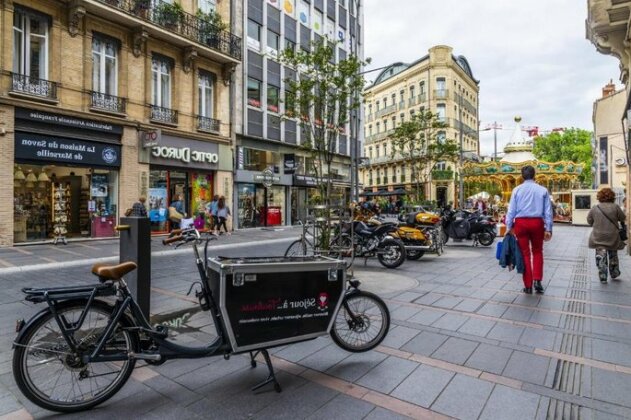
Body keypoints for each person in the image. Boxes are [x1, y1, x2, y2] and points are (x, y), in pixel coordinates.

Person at [505, 165, 553, 294]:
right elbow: (548, 211)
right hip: (537, 222)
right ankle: (538, 280)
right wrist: (548, 228)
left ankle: (527, 285)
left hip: (521, 223)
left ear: (522, 176)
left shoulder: (516, 190)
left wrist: (508, 226)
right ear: (534, 175)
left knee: (524, 254)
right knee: (538, 252)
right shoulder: (542, 190)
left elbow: (511, 210)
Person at [587, 188, 626, 283]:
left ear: (599, 197)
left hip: (598, 237)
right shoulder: (615, 207)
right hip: (613, 236)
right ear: (612, 197)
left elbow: (589, 221)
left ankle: (603, 276)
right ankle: (614, 272)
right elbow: (623, 218)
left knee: (601, 256)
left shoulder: (595, 208)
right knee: (613, 255)